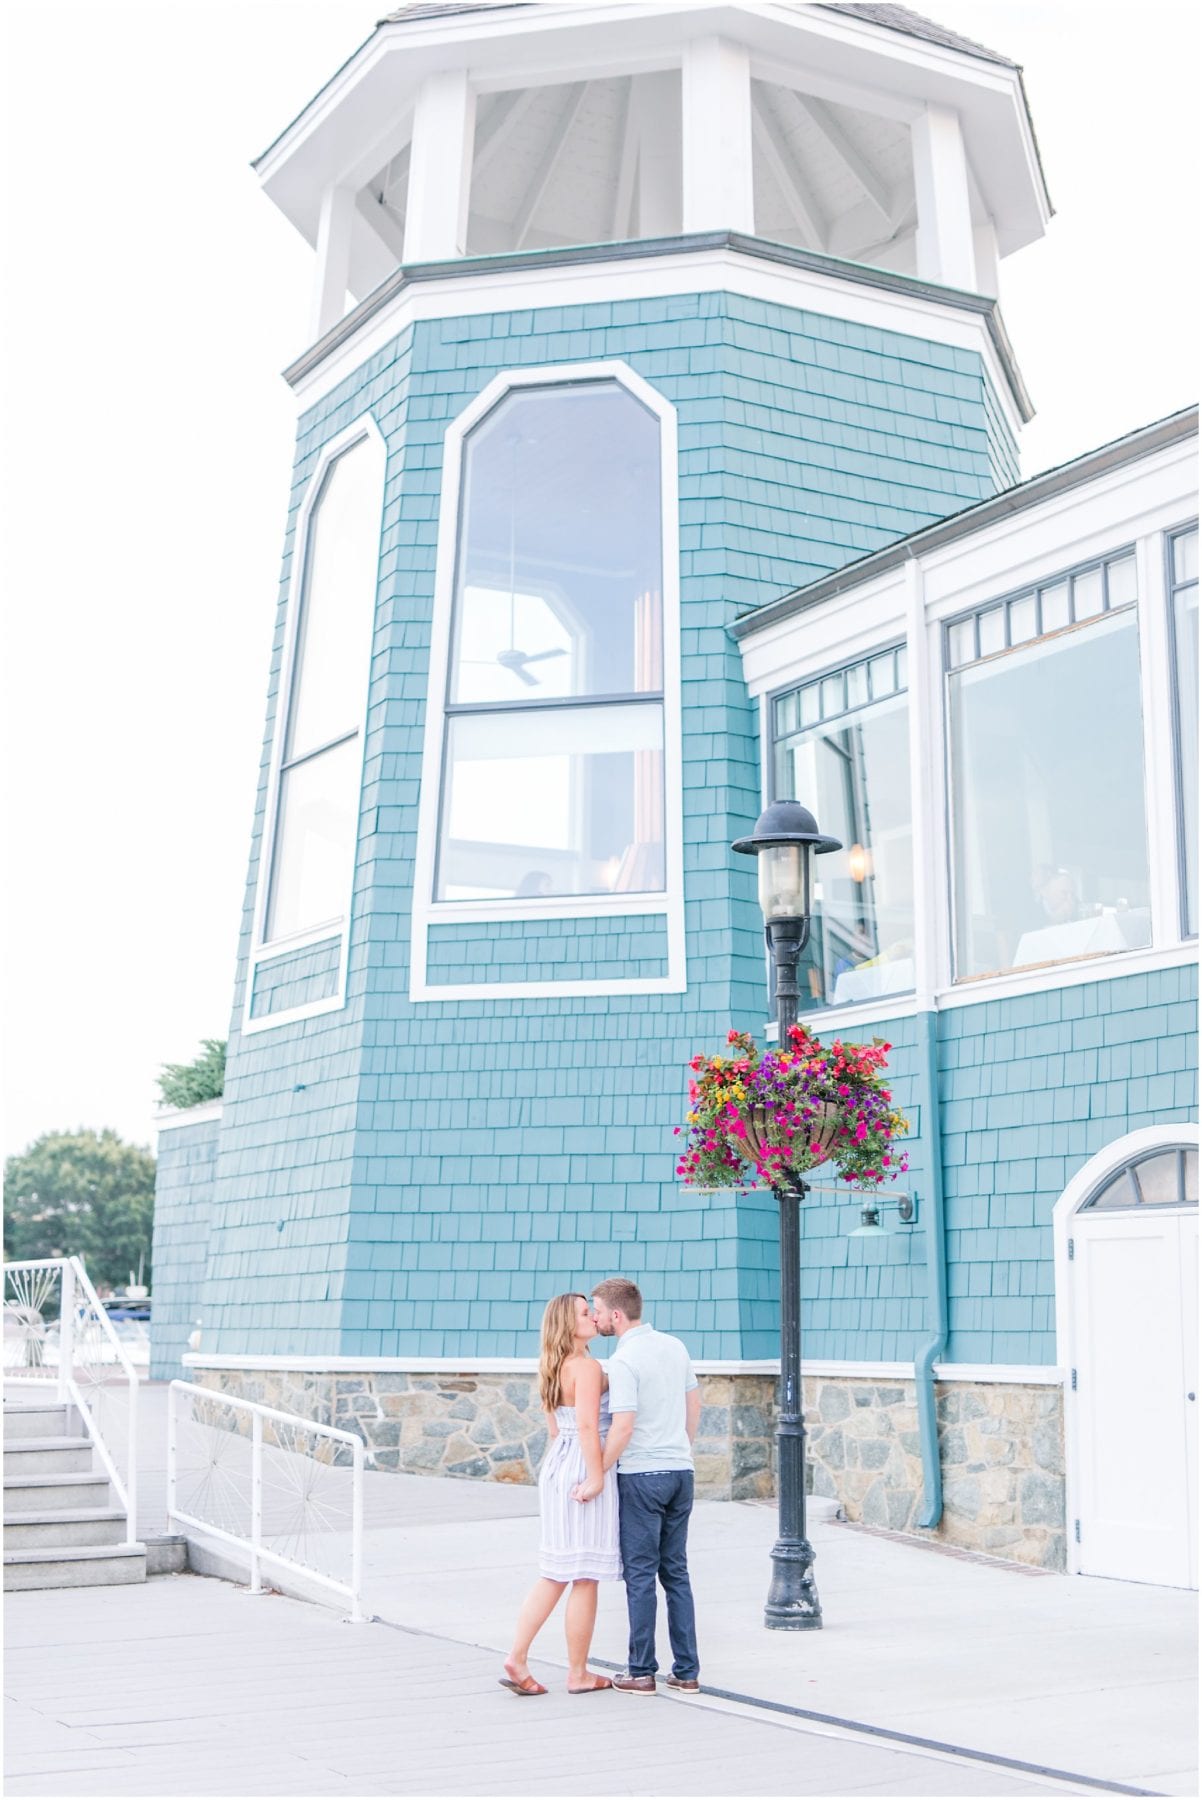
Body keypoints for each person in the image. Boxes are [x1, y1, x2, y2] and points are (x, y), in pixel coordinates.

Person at [500, 1293, 619, 1696]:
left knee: (555, 1571)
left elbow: (556, 1429)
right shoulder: (586, 1366)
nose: (592, 1318)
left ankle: (518, 1656)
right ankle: (579, 1673)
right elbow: (587, 1427)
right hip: (583, 1464)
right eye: (586, 1314)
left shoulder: (551, 1366)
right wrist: (598, 1475)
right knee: (584, 1575)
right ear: (570, 1325)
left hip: (556, 1464)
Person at [588, 1278, 702, 1696]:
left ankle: (640, 1671)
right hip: (680, 1471)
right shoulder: (674, 1346)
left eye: (597, 1310)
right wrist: (680, 1448)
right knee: (676, 1572)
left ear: (616, 1315)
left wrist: (597, 1470)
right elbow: (694, 1404)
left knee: (640, 1575)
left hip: (641, 1475)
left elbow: (623, 1425)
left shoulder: (623, 1360)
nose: (595, 1317)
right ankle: (687, 1671)